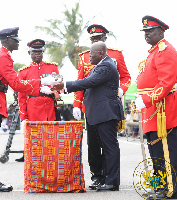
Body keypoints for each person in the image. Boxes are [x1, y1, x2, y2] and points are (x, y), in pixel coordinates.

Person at [0, 27, 58, 192]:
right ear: (6, 40)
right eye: (15, 40)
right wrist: (40, 86)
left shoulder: (4, 56)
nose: (17, 43)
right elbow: (16, 84)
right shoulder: (3, 57)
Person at [53, 41, 124, 191]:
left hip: (106, 113)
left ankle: (112, 182)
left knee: (109, 147)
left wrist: (65, 85)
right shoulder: (100, 66)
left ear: (101, 53)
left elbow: (89, 81)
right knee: (100, 147)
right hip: (99, 113)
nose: (89, 57)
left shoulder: (106, 66)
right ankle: (105, 178)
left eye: (91, 54)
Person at [73, 24, 131, 190]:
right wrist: (77, 104)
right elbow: (81, 81)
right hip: (90, 107)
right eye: (92, 38)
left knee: (108, 143)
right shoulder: (84, 56)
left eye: (98, 38)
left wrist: (121, 90)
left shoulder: (115, 55)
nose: (95, 40)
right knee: (93, 145)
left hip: (106, 105)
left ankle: (109, 177)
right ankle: (97, 176)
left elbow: (126, 77)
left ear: (105, 38)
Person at [135, 15, 177, 199]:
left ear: (161, 31)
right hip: (153, 108)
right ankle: (159, 186)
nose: (147, 34)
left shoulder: (165, 50)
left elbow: (166, 82)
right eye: (145, 31)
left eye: (150, 31)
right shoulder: (153, 52)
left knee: (166, 152)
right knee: (155, 152)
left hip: (163, 108)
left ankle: (171, 190)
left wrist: (146, 99)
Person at [16, 39, 60, 162]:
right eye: (35, 52)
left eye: (40, 52)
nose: (37, 54)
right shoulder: (24, 72)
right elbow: (22, 97)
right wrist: (23, 117)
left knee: (50, 138)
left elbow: (60, 88)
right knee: (34, 139)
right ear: (29, 53)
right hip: (33, 109)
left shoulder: (53, 68)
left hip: (49, 107)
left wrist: (54, 91)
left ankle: (50, 162)